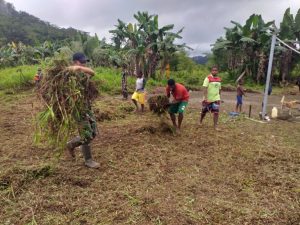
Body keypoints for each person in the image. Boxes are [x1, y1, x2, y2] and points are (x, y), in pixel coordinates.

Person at [66, 52, 100, 169]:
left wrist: (80, 67)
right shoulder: (69, 73)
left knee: (94, 132)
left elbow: (93, 72)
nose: (84, 63)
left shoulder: (83, 73)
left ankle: (71, 144)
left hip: (87, 107)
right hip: (77, 108)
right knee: (86, 134)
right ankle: (88, 160)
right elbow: (66, 70)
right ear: (75, 61)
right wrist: (77, 68)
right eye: (82, 61)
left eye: (85, 61)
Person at [200, 66, 222, 130]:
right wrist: (205, 98)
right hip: (208, 99)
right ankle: (200, 121)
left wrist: (219, 97)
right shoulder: (208, 78)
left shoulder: (219, 79)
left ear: (217, 71)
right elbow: (205, 88)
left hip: (216, 98)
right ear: (211, 71)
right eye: (213, 70)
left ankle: (215, 126)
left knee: (216, 112)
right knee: (204, 111)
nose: (214, 71)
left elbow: (220, 89)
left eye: (216, 70)